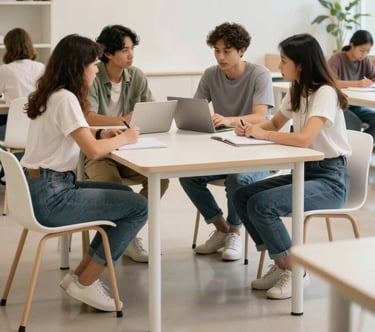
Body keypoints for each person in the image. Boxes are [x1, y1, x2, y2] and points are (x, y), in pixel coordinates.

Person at [21, 34, 148, 312]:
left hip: (42, 188)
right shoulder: (66, 99)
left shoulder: (53, 94)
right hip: (53, 198)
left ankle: (79, 276)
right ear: (78, 66)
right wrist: (125, 139)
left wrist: (103, 132)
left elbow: (77, 131)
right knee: (138, 207)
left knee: (124, 196)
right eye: (93, 64)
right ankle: (87, 281)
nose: (96, 69)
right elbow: (92, 151)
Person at [232, 33, 350, 300]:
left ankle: (295, 270)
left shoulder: (325, 93)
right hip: (305, 171)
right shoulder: (297, 89)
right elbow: (274, 124)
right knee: (243, 196)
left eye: (284, 61)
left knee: (263, 205)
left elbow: (304, 138)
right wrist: (249, 128)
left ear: (301, 64)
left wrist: (263, 135)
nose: (279, 66)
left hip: (331, 180)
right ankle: (282, 260)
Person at [179, 22, 274, 262]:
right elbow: (196, 107)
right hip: (224, 150)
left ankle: (235, 230)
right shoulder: (211, 74)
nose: (220, 56)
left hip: (258, 151)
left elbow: (260, 117)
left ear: (242, 50)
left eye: (227, 51)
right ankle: (221, 229)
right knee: (188, 176)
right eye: (217, 50)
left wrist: (228, 120)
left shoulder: (259, 74)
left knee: (237, 179)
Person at [84, 24, 168, 263]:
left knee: (159, 180)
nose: (131, 55)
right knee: (112, 187)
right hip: (99, 150)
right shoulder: (93, 74)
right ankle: (123, 237)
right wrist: (122, 121)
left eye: (132, 49)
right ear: (108, 54)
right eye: (124, 50)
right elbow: (87, 116)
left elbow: (149, 110)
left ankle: (128, 233)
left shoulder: (137, 76)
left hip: (131, 149)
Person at [328, 29, 375, 143]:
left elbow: (373, 77)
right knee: (354, 122)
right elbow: (330, 81)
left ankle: (362, 147)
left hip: (357, 105)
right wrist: (357, 83)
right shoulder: (337, 59)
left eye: (367, 51)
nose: (364, 54)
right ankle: (354, 151)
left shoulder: (365, 61)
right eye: (361, 50)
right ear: (352, 45)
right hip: (340, 106)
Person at [0, 27, 45, 139]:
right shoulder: (42, 67)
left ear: (8, 48)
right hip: (39, 128)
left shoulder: (5, 70)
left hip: (13, 130)